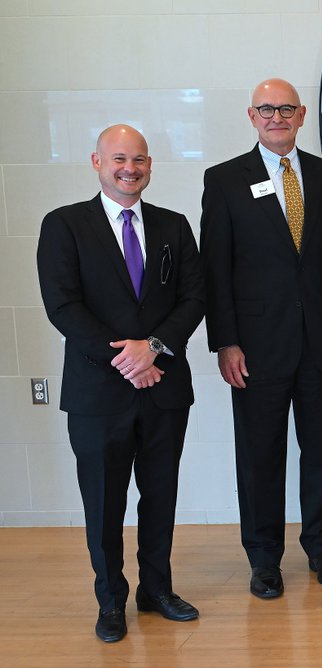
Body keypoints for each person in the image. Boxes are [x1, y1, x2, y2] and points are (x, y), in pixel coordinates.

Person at [37, 125, 205, 642]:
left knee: (160, 496)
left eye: (138, 160)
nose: (128, 168)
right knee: (104, 501)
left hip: (164, 388)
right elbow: (63, 306)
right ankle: (111, 600)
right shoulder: (65, 225)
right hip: (99, 394)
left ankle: (157, 591)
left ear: (150, 165)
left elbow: (194, 298)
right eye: (118, 159)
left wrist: (151, 349)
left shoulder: (174, 226)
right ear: (96, 162)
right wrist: (128, 359)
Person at [200, 78, 322, 599]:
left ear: (301, 115)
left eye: (286, 109)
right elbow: (215, 267)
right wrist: (225, 341)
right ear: (251, 116)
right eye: (266, 109)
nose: (277, 117)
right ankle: (264, 560)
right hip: (254, 348)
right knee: (259, 456)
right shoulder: (225, 179)